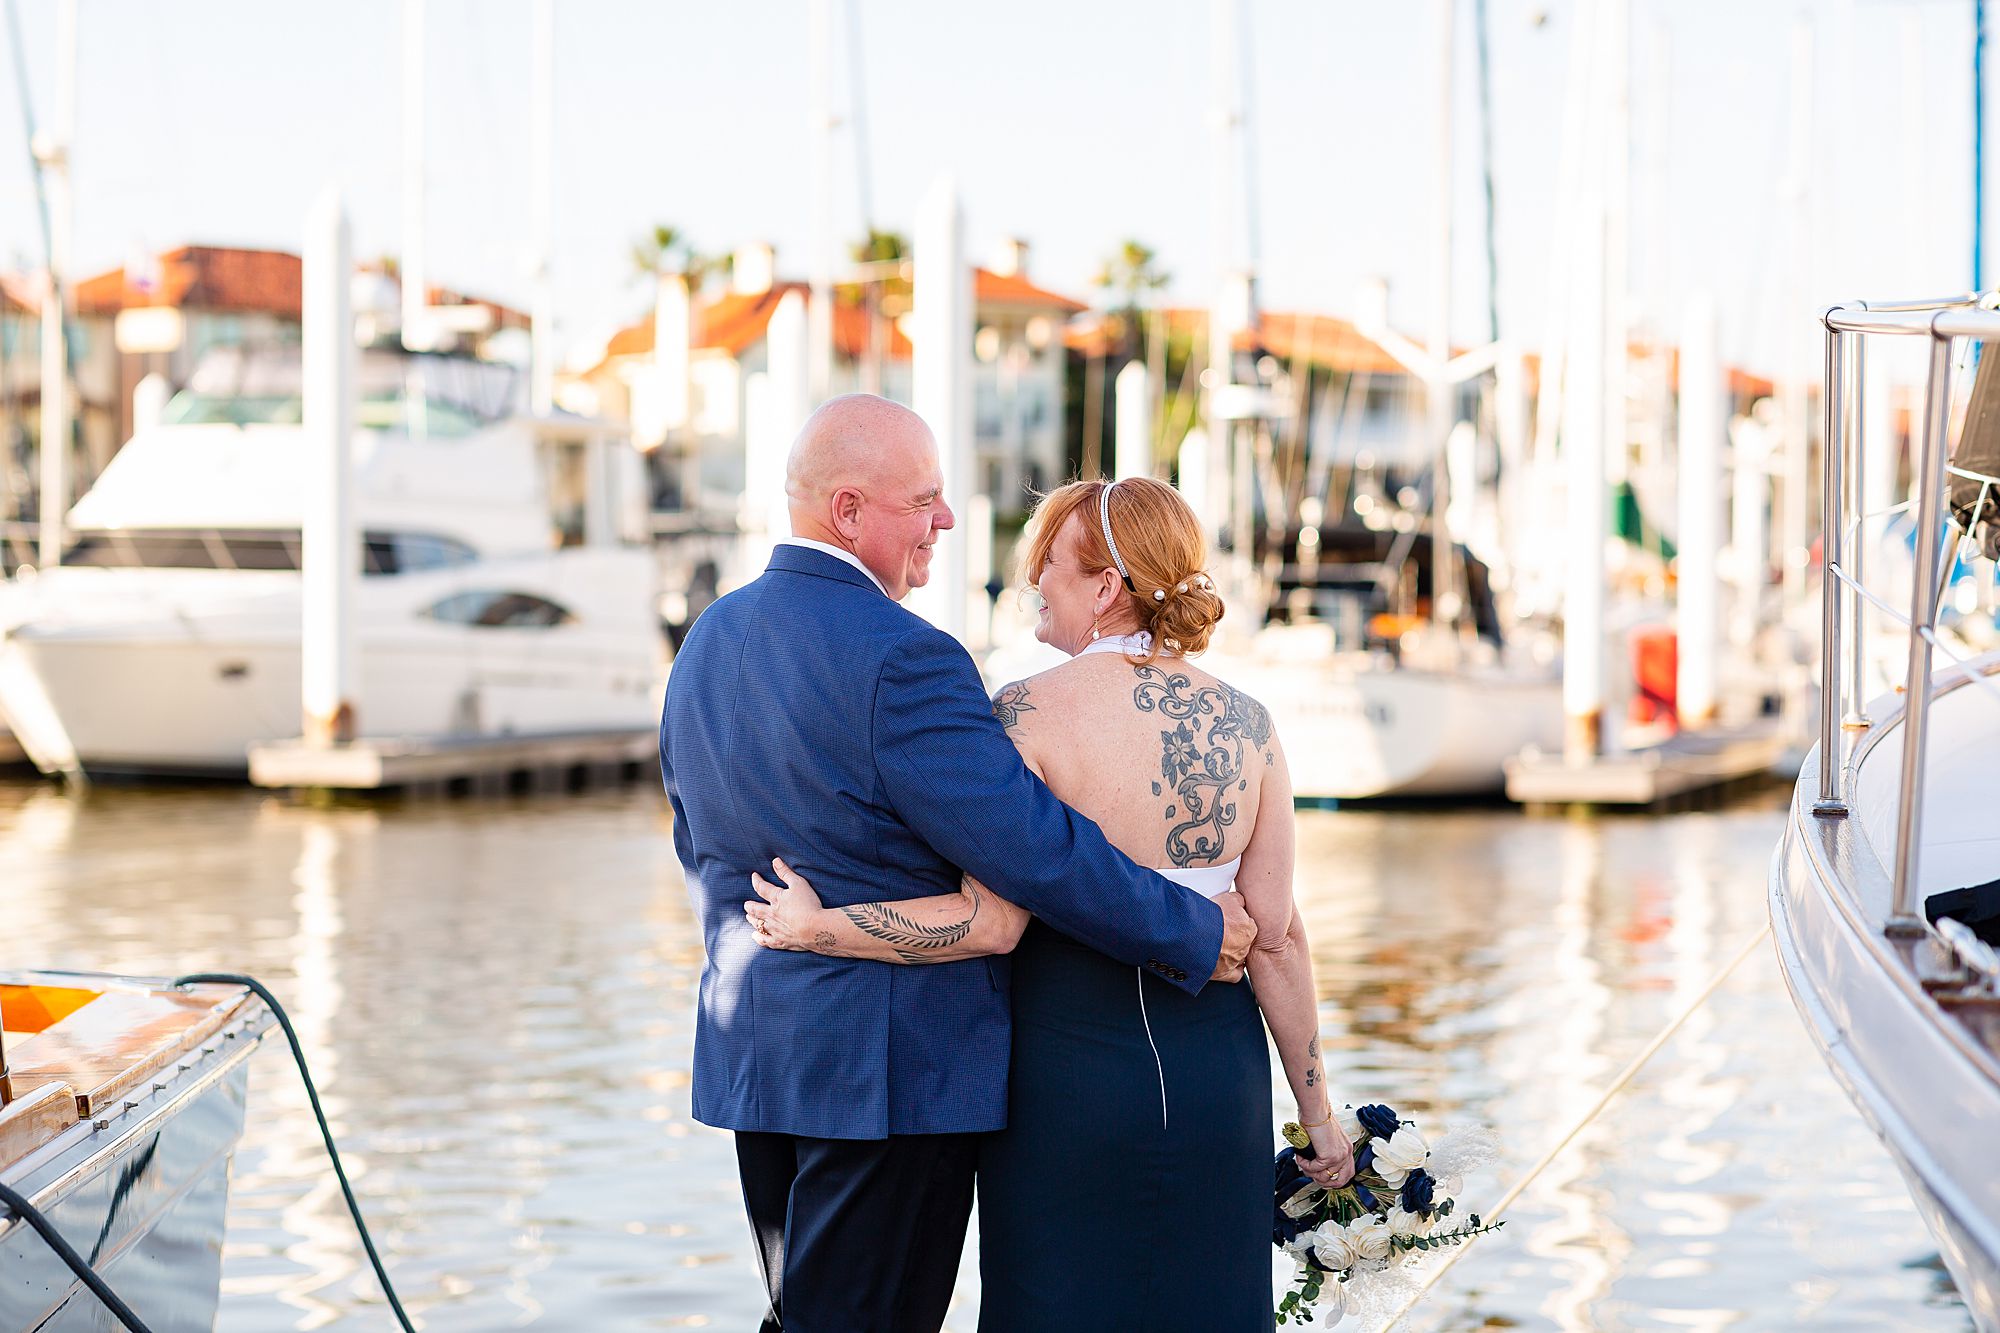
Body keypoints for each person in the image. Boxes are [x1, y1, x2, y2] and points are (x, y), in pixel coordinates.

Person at [659, 395, 1260, 1333]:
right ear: (849, 511)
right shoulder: (906, 657)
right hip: (892, 1083)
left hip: (762, 1060)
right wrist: (1194, 924)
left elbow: (696, 839)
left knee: (805, 1316)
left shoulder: (707, 639)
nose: (947, 521)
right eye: (926, 500)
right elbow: (1035, 849)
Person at [747, 475, 1355, 1331]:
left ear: (1106, 588)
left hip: (1065, 1078)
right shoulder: (1249, 726)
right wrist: (1317, 1115)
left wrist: (818, 927)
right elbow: (1277, 940)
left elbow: (984, 923)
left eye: (1052, 565)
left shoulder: (1023, 715)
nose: (1034, 580)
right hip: (1218, 1076)